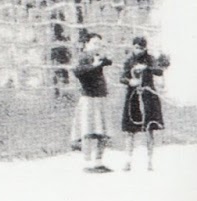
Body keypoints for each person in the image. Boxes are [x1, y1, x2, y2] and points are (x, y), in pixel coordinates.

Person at [70, 32, 113, 172]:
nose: (97, 46)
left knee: (103, 131)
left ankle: (98, 161)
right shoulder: (82, 57)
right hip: (88, 98)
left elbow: (108, 61)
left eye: (99, 44)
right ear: (86, 44)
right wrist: (94, 65)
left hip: (100, 97)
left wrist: (103, 60)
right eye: (94, 43)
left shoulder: (98, 56)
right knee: (87, 131)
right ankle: (87, 162)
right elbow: (77, 71)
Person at [120, 36, 165, 171]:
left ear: (145, 48)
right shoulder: (129, 60)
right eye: (136, 47)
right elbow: (122, 77)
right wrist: (129, 81)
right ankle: (128, 161)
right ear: (133, 47)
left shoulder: (150, 59)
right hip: (132, 97)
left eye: (141, 48)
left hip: (148, 95)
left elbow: (159, 71)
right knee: (130, 130)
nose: (138, 50)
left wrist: (147, 68)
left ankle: (149, 161)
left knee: (149, 129)